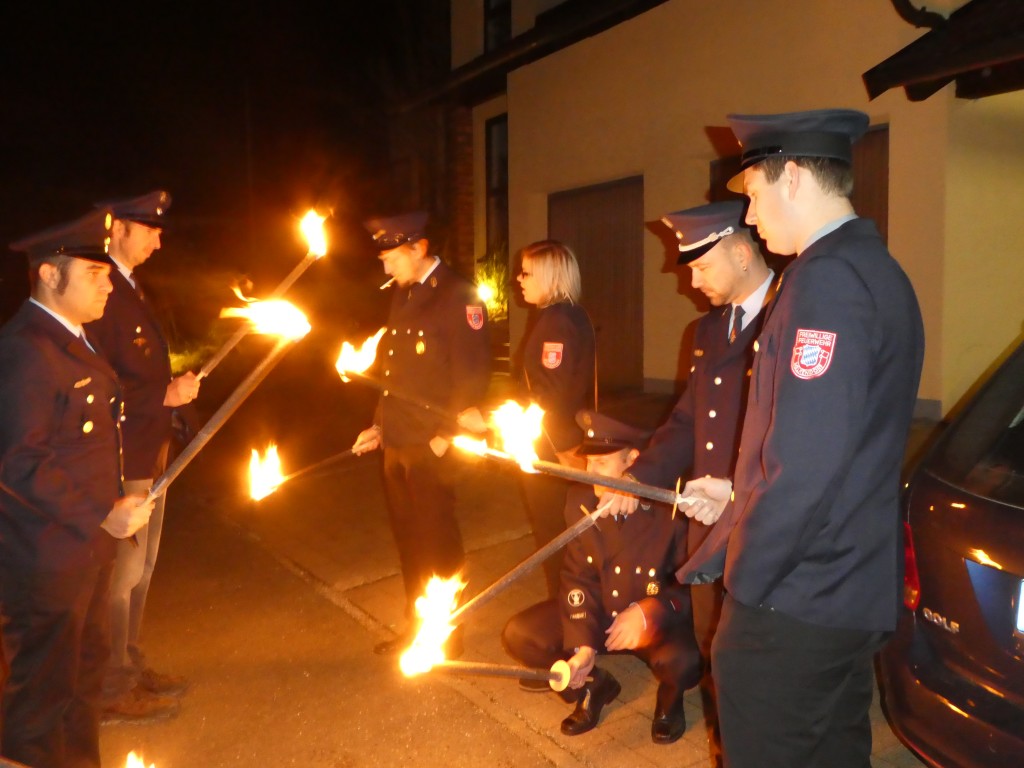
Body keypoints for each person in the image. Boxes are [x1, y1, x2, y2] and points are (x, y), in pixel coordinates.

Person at [675, 109, 925, 768]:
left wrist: (746, 581)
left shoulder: (827, 279)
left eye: (752, 193)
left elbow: (809, 464)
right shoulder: (873, 267)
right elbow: (839, 436)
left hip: (799, 595)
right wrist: (737, 492)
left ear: (790, 177)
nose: (750, 217)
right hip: (843, 584)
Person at [600, 199, 775, 764]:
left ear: (742, 253)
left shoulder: (792, 320)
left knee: (760, 666)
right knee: (715, 652)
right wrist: (634, 478)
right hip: (708, 531)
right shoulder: (707, 329)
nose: (690, 281)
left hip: (764, 527)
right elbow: (685, 422)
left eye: (700, 267)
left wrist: (736, 490)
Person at [1, 211, 155, 767]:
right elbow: (19, 462)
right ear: (49, 274)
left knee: (80, 689)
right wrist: (101, 512)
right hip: (46, 561)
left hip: (83, 553)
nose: (108, 283)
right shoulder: (27, 351)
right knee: (41, 702)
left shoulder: (72, 340)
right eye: (95, 274)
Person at [502, 411, 701, 743]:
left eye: (602, 464)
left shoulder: (671, 505)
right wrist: (582, 644)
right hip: (602, 613)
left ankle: (670, 699)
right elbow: (577, 577)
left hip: (650, 623)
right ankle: (594, 686)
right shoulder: (580, 501)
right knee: (520, 635)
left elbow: (693, 584)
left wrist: (648, 611)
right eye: (588, 462)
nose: (590, 473)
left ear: (632, 460)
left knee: (687, 660)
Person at [352, 212, 491, 656]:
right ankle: (418, 626)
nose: (386, 268)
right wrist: (378, 425)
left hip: (432, 444)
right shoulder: (405, 296)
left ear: (418, 248)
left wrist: (444, 437)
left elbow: (472, 376)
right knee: (409, 538)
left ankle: (447, 632)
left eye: (391, 257)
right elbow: (393, 373)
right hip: (397, 441)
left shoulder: (458, 295)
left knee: (438, 538)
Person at [85, 190, 199, 723]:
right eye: (149, 228)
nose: (158, 238)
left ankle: (129, 663)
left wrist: (169, 391)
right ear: (119, 230)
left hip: (153, 450)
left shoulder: (129, 288)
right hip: (125, 453)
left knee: (144, 568)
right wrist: (163, 396)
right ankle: (110, 688)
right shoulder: (101, 291)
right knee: (123, 572)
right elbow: (97, 381)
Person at [514, 240, 596, 597]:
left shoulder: (558, 321)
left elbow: (552, 393)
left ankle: (566, 615)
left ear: (550, 276)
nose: (519, 279)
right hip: (553, 438)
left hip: (552, 443)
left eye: (528, 272)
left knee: (554, 534)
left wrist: (498, 416)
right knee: (558, 531)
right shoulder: (561, 315)